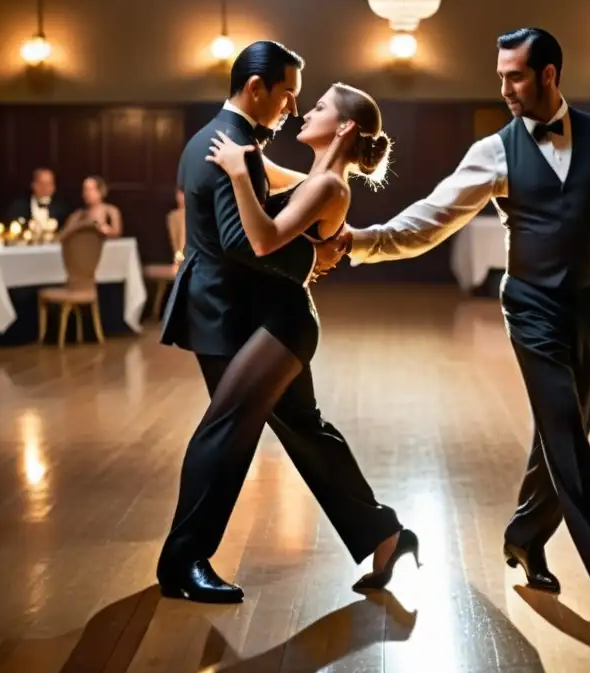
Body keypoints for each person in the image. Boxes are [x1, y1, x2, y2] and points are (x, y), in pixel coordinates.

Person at [337, 28, 590, 633]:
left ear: (550, 75)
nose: (505, 88)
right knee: (566, 429)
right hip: (532, 308)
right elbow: (431, 218)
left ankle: (523, 536)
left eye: (515, 76)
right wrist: (359, 243)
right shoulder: (494, 150)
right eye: (501, 76)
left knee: (562, 433)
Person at [157, 41, 412, 604]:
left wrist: (316, 243)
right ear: (256, 90)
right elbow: (247, 236)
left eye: (312, 104)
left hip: (275, 319)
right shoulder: (236, 146)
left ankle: (182, 560)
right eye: (293, 95)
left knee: (227, 429)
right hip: (243, 312)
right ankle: (383, 532)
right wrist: (313, 255)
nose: (297, 108)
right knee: (299, 429)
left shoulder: (233, 145)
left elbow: (266, 229)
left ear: (342, 128)